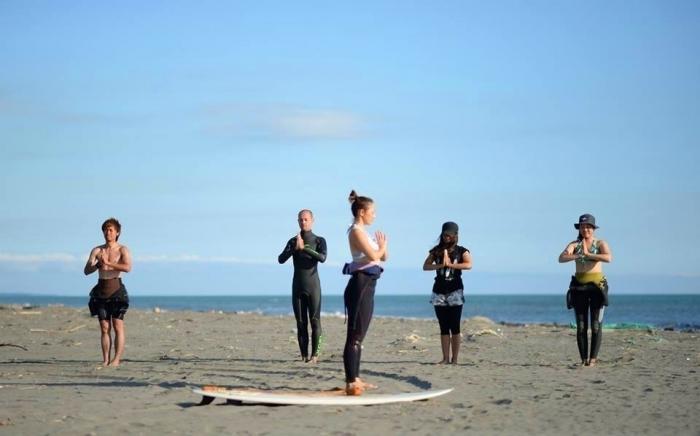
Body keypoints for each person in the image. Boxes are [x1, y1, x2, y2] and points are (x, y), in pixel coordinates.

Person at [342, 190, 388, 395]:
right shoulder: (355, 231)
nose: (375, 215)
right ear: (362, 212)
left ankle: (356, 378)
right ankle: (351, 381)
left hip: (369, 284)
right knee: (354, 335)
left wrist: (382, 247)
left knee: (360, 336)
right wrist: (381, 247)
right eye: (373, 211)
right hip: (360, 285)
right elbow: (373, 255)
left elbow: (382, 257)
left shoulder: (365, 232)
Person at [558, 213, 612, 367]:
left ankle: (593, 360)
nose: (585, 229)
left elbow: (609, 258)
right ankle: (583, 360)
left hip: (597, 288)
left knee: (595, 325)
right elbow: (561, 258)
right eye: (583, 227)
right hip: (579, 288)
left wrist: (589, 254)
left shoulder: (600, 243)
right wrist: (575, 255)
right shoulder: (574, 244)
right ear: (579, 228)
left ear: (593, 228)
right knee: (581, 326)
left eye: (588, 226)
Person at [278, 209, 327, 363]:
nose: (303, 222)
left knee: (315, 321)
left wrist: (304, 248)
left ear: (312, 220)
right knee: (300, 323)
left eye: (306, 219)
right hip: (297, 287)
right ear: (298, 221)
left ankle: (315, 356)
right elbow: (280, 259)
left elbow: (323, 257)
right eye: (301, 220)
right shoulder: (293, 241)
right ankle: (304, 356)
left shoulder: (319, 240)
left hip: (313, 286)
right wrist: (295, 248)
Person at [84, 217, 132, 367]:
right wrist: (98, 264)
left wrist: (109, 263)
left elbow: (127, 267)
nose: (107, 233)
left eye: (111, 230)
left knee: (118, 326)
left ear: (117, 232)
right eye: (105, 230)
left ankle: (116, 360)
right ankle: (105, 360)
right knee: (105, 327)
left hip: (116, 290)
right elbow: (86, 270)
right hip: (101, 290)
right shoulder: (97, 250)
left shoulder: (122, 249)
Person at [422, 222, 472, 364]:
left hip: (455, 291)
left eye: (450, 235)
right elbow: (425, 266)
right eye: (445, 235)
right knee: (443, 326)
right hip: (439, 292)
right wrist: (440, 265)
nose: (447, 238)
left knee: (455, 326)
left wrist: (451, 265)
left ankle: (454, 359)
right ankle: (445, 358)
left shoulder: (462, 251)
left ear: (456, 235)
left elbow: (469, 264)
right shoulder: (436, 251)